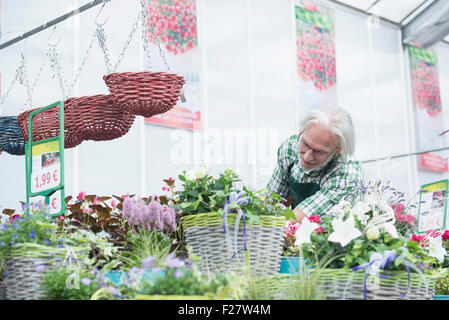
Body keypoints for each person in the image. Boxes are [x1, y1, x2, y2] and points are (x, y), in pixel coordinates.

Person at [267, 105, 362, 223]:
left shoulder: (347, 173)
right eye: (305, 144)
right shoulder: (289, 150)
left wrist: (275, 220)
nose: (307, 156)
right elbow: (270, 203)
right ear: (302, 131)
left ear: (338, 150)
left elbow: (298, 217)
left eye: (319, 151)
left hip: (327, 234)